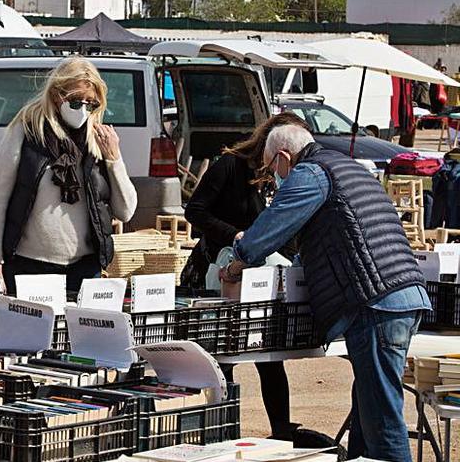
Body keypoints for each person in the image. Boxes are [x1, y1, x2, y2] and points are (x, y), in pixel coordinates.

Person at [220, 113, 430, 462]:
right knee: (368, 411)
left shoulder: (311, 173)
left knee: (381, 420)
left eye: (272, 169)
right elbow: (338, 237)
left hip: (374, 303)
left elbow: (273, 226)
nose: (273, 178)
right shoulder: (347, 168)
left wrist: (238, 262)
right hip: (401, 296)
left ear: (283, 157)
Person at [183, 114, 300, 441]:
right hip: (219, 273)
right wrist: (235, 235)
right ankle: (222, 433)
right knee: (224, 357)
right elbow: (195, 211)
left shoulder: (292, 175)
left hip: (265, 280)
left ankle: (281, 432)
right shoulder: (230, 165)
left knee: (270, 358)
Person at [0, 57, 137, 295]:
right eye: (75, 102)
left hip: (85, 268)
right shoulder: (27, 130)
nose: (83, 111)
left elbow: (125, 211)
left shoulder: (97, 138)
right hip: (29, 266)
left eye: (91, 104)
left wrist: (115, 158)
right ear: (56, 95)